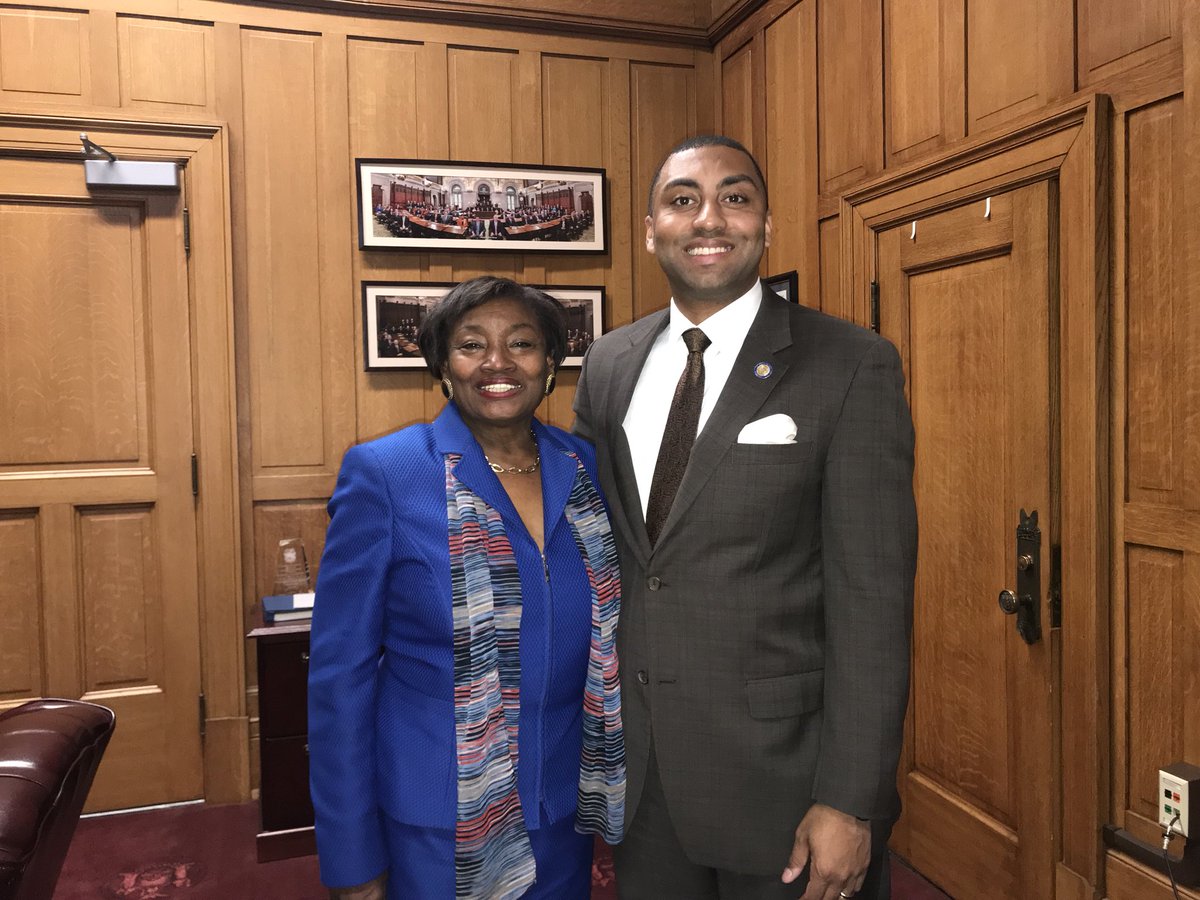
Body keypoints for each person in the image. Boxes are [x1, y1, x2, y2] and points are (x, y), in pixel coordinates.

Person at [572, 135, 917, 900]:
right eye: (683, 200)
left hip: (786, 782)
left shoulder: (851, 364)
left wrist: (851, 799)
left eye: (735, 198)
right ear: (651, 228)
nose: (709, 219)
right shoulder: (609, 364)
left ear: (767, 226)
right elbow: (606, 555)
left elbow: (873, 601)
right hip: (645, 775)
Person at [308, 276, 625, 900]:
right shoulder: (387, 473)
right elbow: (339, 678)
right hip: (435, 811)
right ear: (443, 367)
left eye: (523, 343)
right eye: (472, 345)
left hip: (561, 803)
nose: (498, 363)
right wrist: (351, 856)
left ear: (551, 364)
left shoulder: (582, 466)